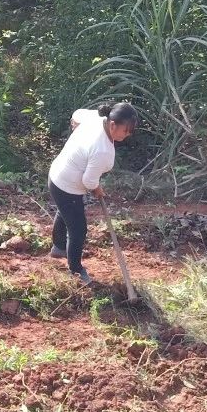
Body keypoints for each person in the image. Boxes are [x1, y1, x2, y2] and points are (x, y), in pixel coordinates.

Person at [48, 102, 138, 286]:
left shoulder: (98, 118)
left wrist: (75, 124)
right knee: (78, 230)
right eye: (126, 130)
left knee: (66, 211)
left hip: (57, 176)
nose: (128, 135)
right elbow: (88, 181)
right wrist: (97, 189)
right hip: (67, 186)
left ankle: (58, 247)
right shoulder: (103, 151)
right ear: (112, 125)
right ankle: (75, 269)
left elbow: (77, 114)